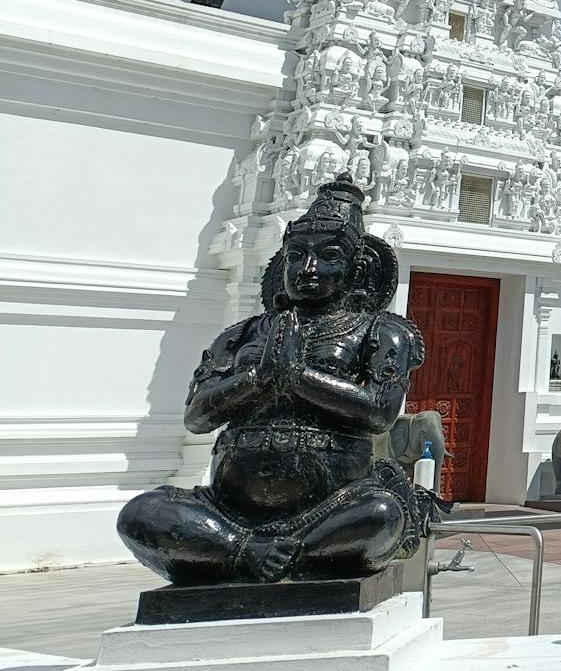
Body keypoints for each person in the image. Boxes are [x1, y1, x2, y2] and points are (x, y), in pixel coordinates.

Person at [116, 175, 441, 583]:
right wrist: (255, 379)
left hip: (332, 507)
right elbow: (197, 417)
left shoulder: (380, 332)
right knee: (142, 513)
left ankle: (280, 550)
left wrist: (298, 376)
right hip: (229, 508)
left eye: (329, 256)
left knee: (381, 515)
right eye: (296, 255)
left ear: (357, 268)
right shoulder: (242, 336)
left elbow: (379, 413)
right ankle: (244, 549)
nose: (308, 268)